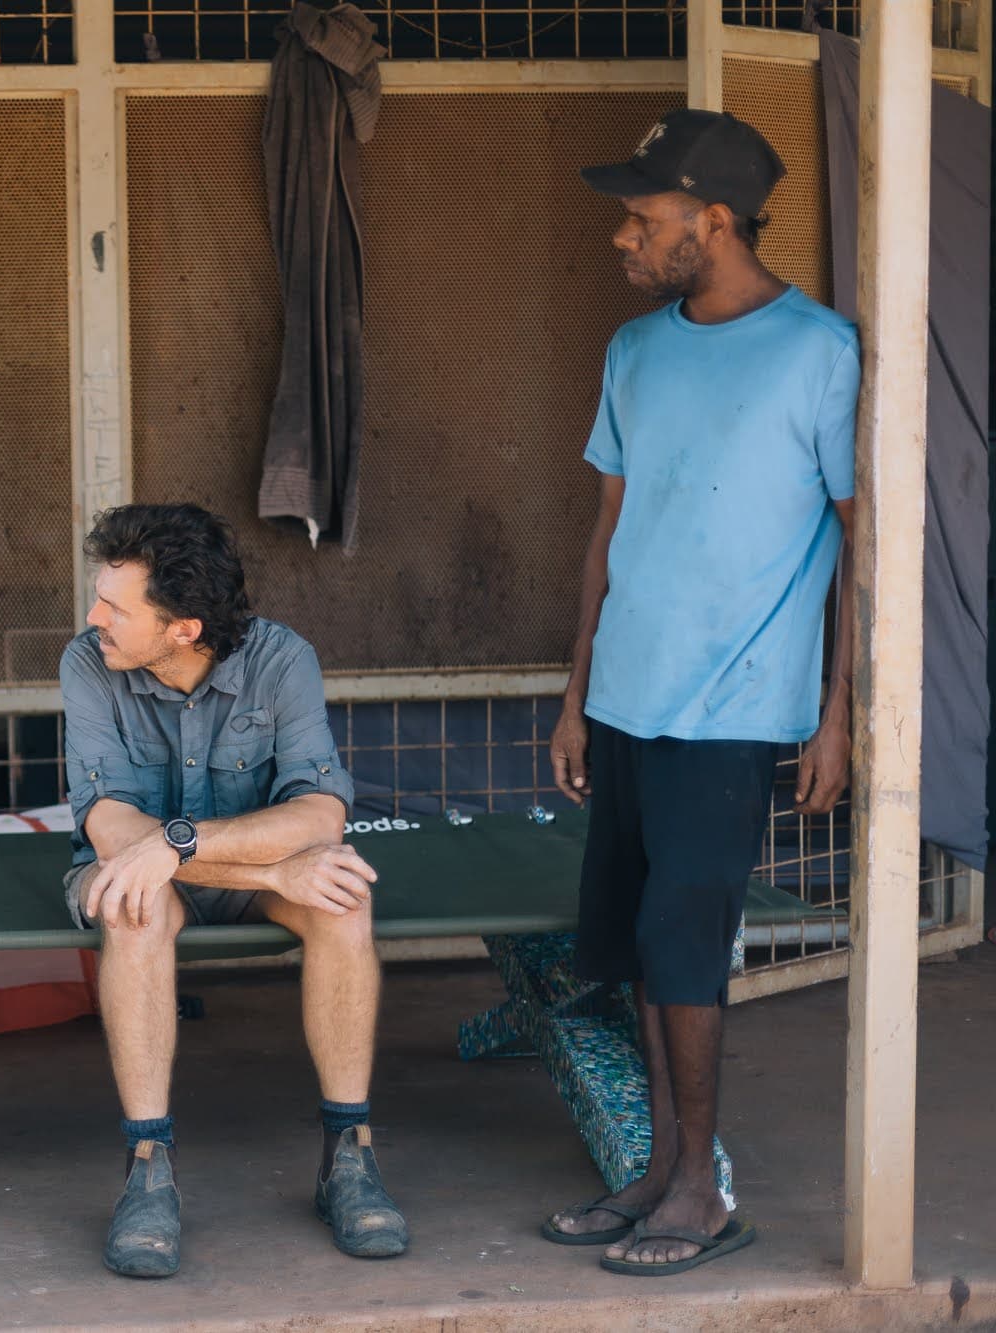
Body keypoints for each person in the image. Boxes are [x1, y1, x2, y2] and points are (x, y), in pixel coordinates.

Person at [541, 110, 856, 1275]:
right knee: (626, 942)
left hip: (733, 709)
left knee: (686, 943)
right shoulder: (633, 350)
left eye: (642, 216)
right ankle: (665, 1171)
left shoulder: (819, 351)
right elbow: (606, 532)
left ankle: (702, 1192)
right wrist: (574, 693)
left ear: (710, 221)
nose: (622, 238)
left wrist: (839, 711)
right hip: (624, 696)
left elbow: (855, 541)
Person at [59, 502, 405, 1279]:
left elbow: (320, 811)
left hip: (225, 867)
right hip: (146, 873)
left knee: (343, 900)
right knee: (136, 904)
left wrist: (186, 843)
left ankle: (350, 1155)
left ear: (183, 627)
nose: (94, 616)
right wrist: (276, 870)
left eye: (115, 605)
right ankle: (148, 1167)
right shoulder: (87, 662)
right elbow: (114, 831)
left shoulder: (284, 660)